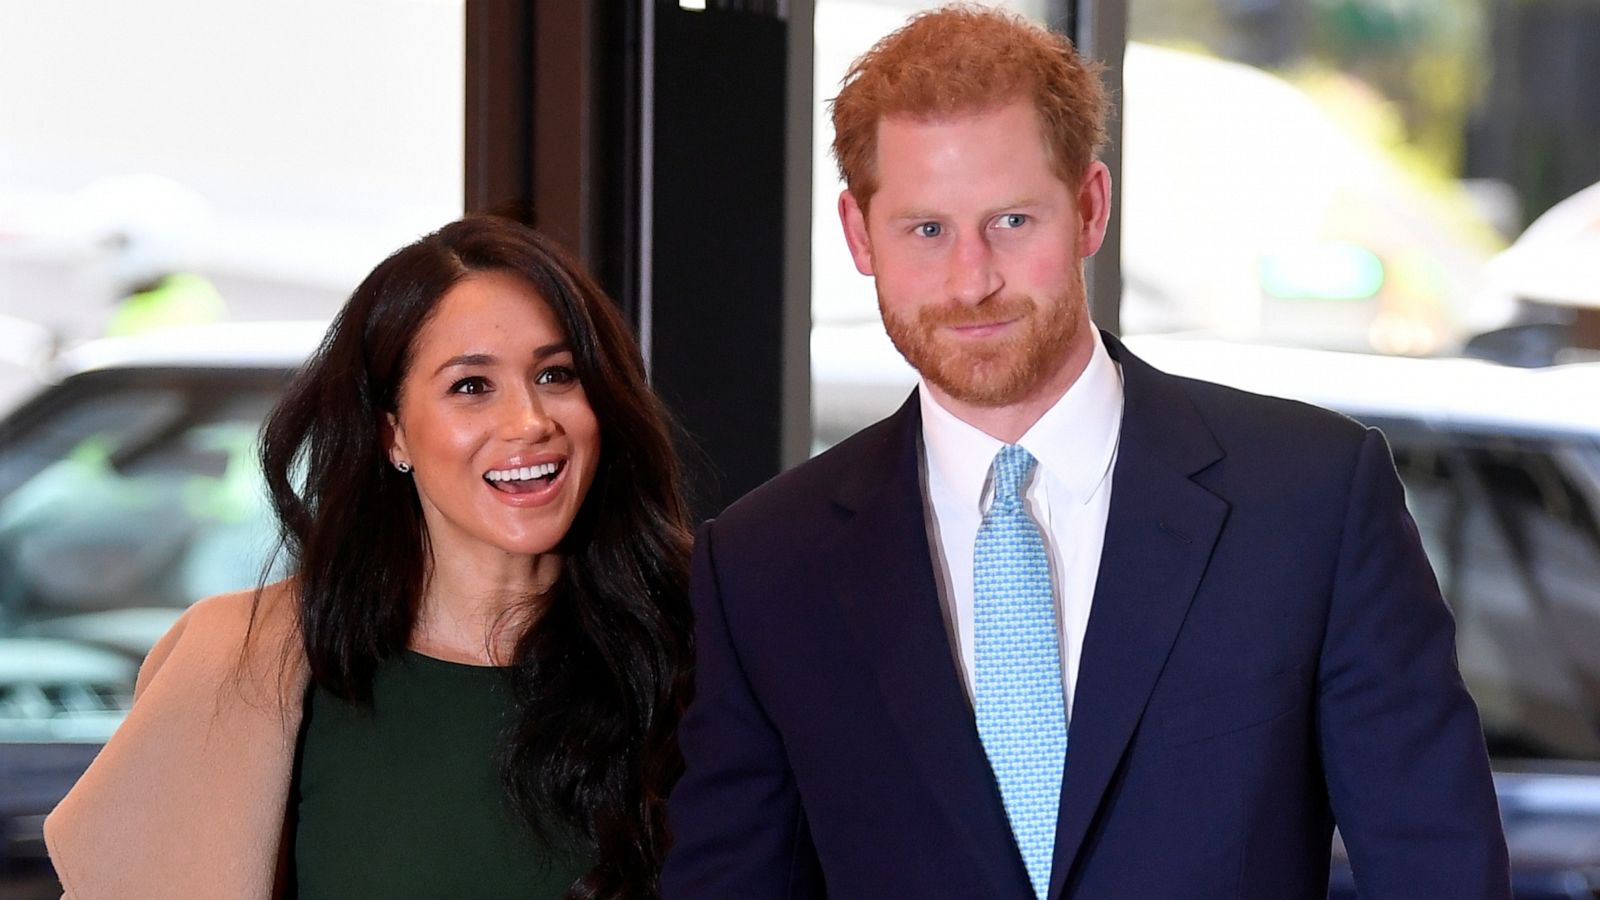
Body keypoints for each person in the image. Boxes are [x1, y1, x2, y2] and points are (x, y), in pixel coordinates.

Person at [663, 7, 1509, 899]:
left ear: (1091, 208)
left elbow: (1439, 870)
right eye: (925, 230)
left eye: (1013, 221)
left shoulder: (1310, 501)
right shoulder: (764, 565)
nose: (971, 279)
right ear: (857, 233)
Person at [46, 216, 694, 900]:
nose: (530, 423)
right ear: (393, 434)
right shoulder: (243, 663)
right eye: (471, 386)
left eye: (557, 374)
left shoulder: (697, 649)